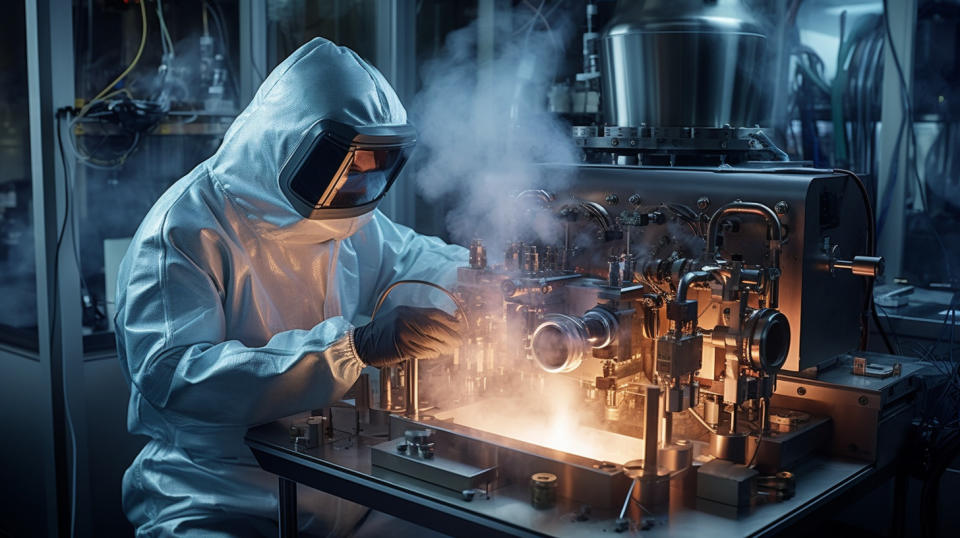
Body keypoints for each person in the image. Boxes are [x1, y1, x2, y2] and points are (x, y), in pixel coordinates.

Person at [114, 38, 466, 537]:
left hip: (344, 484)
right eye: (351, 165)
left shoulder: (346, 215)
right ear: (293, 146)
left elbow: (415, 259)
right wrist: (353, 348)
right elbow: (175, 376)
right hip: (219, 493)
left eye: (374, 167)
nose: (362, 183)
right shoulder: (186, 230)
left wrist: (485, 282)